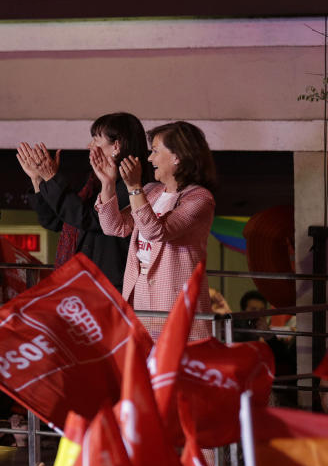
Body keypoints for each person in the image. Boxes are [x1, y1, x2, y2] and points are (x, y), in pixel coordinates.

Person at [95, 121, 216, 340]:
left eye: (155, 151)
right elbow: (114, 227)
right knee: (142, 360)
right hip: (138, 287)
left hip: (173, 292)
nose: (150, 158)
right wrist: (108, 184)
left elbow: (156, 232)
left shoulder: (199, 198)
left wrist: (133, 187)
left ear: (177, 156)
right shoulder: (151, 191)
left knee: (173, 363)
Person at [16, 112, 152, 292]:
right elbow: (55, 221)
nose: (90, 146)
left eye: (96, 140)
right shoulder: (93, 183)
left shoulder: (134, 185)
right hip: (82, 282)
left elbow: (89, 218)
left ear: (116, 146)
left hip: (109, 287)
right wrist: (38, 180)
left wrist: (51, 178)